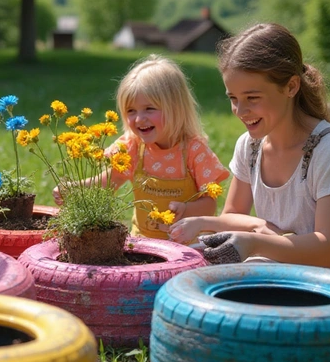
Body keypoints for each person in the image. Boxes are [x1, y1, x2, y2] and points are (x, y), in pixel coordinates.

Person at [169, 23, 330, 277]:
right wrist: (205, 223)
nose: (240, 111)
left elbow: (328, 250)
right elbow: (234, 214)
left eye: (252, 98)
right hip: (276, 257)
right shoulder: (250, 146)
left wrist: (255, 242)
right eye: (233, 98)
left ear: (291, 87)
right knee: (189, 268)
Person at [54, 54, 230, 240]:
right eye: (131, 111)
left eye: (149, 109)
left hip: (188, 248)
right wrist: (75, 188)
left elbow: (210, 204)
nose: (139, 119)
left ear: (176, 108)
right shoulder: (133, 147)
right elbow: (108, 182)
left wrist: (186, 210)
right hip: (143, 243)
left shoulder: (194, 151)